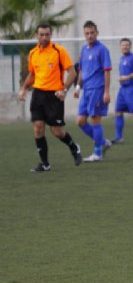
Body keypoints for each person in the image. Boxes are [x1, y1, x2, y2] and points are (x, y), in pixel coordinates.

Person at [18, 23, 83, 172]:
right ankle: (45, 164)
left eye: (47, 34)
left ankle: (73, 146)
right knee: (38, 128)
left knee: (57, 132)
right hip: (38, 94)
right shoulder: (33, 53)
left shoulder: (59, 51)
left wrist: (64, 89)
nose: (44, 37)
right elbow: (32, 74)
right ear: (37, 35)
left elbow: (72, 72)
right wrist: (23, 88)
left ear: (51, 35)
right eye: (41, 34)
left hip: (54, 95)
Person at [74, 20, 113, 162]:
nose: (90, 36)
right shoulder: (84, 50)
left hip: (98, 89)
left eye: (92, 33)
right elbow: (81, 71)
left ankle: (98, 153)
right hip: (86, 90)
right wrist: (78, 87)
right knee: (80, 121)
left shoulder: (102, 50)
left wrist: (107, 92)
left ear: (97, 33)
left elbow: (107, 72)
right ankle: (103, 142)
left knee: (95, 120)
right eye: (87, 33)